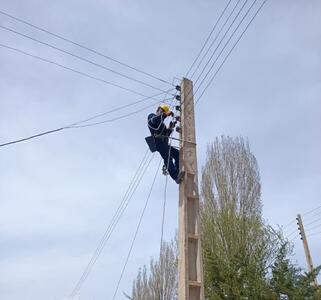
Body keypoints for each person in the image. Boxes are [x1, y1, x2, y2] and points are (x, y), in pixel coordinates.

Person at [147, 104, 185, 184]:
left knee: (176, 153)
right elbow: (154, 121)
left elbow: (166, 134)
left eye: (164, 111)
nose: (162, 113)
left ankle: (177, 172)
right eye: (162, 111)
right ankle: (175, 177)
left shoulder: (162, 125)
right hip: (159, 143)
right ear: (158, 110)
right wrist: (165, 114)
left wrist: (170, 127)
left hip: (164, 143)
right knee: (168, 158)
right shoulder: (151, 116)